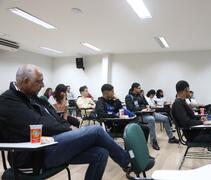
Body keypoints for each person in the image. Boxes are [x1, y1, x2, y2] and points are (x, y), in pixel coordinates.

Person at [0, 64, 130, 180]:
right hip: (33, 158)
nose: (43, 85)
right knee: (96, 130)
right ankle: (128, 161)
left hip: (52, 145)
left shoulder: (36, 99)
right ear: (25, 81)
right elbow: (40, 124)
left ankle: (127, 159)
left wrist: (68, 127)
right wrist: (70, 130)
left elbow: (56, 119)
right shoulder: (8, 101)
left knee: (101, 153)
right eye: (39, 82)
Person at [125, 82, 179, 150]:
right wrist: (143, 108)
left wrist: (146, 107)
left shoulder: (141, 96)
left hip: (148, 112)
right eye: (139, 88)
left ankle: (171, 138)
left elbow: (146, 104)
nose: (140, 89)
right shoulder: (129, 97)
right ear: (134, 88)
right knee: (151, 119)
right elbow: (131, 109)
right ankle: (154, 141)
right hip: (138, 116)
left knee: (165, 118)